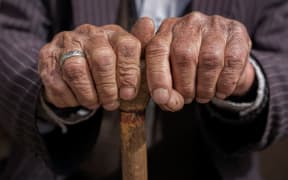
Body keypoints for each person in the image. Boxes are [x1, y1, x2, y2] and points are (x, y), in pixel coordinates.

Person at [0, 0, 287, 179]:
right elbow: (8, 32)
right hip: (61, 169)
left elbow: (282, 56)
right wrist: (55, 79)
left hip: (210, 168)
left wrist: (244, 76)